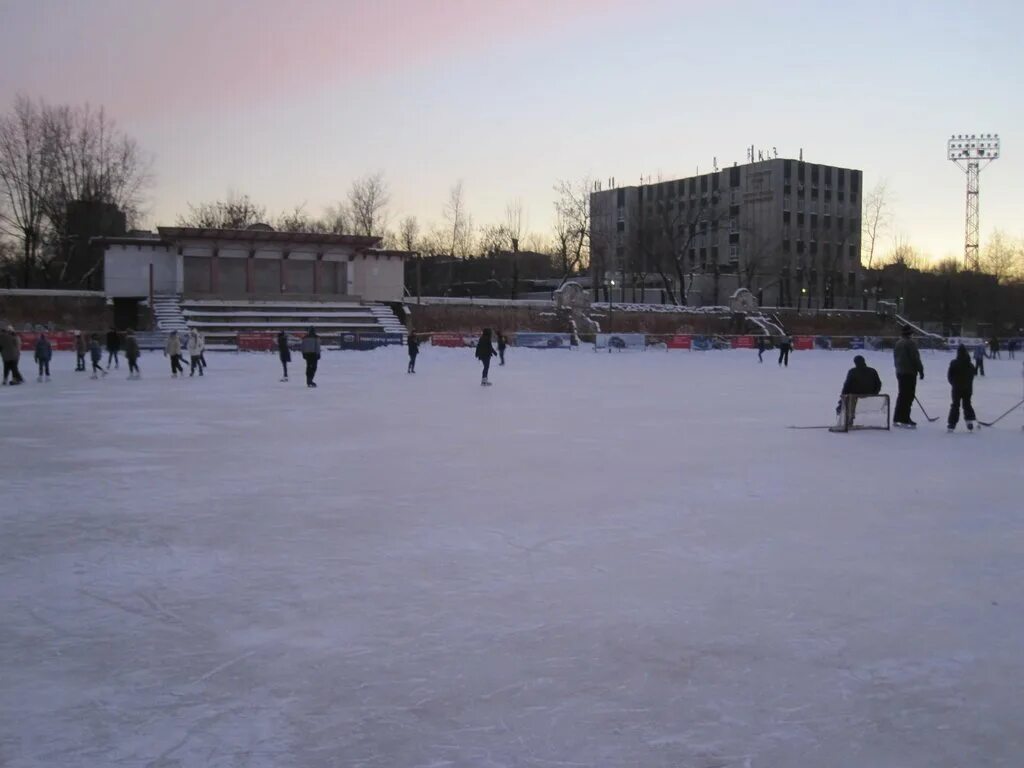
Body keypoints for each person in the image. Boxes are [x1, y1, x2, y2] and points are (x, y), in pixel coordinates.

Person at [836, 354, 882, 427]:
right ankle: (850, 418)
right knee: (852, 396)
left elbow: (847, 386)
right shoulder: (873, 370)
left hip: (855, 394)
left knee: (850, 397)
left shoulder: (852, 371)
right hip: (870, 393)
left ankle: (849, 419)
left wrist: (842, 398)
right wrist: (875, 392)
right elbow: (878, 383)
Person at [892, 325, 924, 428]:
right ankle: (905, 418)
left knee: (902, 395)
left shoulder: (898, 343)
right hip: (909, 373)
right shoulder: (910, 343)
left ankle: (897, 418)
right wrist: (921, 370)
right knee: (908, 396)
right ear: (910, 333)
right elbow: (915, 358)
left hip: (900, 372)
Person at [947, 344, 977, 432]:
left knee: (955, 405)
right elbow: (972, 376)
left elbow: (949, 376)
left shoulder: (954, 363)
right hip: (967, 388)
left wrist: (954, 383)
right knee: (967, 404)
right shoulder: (970, 365)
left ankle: (952, 424)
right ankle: (969, 421)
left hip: (956, 388)